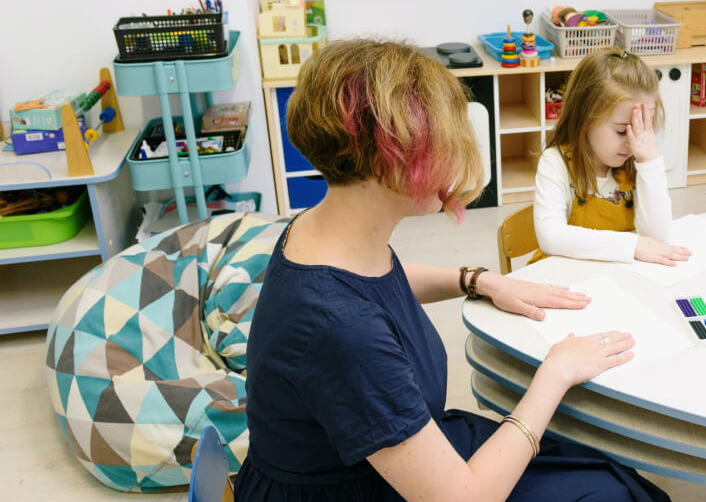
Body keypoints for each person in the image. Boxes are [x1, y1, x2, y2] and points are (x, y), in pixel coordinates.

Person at [236, 39, 669, 501]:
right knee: (615, 492)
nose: (455, 163)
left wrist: (476, 280)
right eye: (444, 146)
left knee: (602, 468)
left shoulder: (323, 233)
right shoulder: (342, 331)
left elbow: (376, 281)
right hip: (364, 490)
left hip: (392, 455)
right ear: (389, 157)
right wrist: (555, 374)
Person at [531, 50, 690, 266]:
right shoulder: (555, 162)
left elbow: (656, 237)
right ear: (586, 119)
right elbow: (551, 237)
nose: (633, 142)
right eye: (622, 131)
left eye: (643, 128)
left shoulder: (637, 160)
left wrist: (650, 161)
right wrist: (632, 246)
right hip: (564, 274)